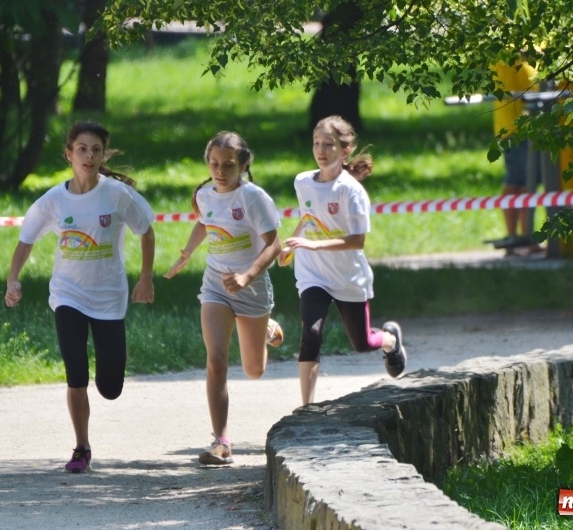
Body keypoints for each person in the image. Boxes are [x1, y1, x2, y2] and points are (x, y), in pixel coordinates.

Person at [4, 120, 156, 473]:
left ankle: (113, 364)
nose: (89, 156)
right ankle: (81, 448)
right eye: (82, 150)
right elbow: (25, 240)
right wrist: (13, 279)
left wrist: (145, 277)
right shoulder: (54, 200)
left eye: (96, 150)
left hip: (109, 297)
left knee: (110, 387)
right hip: (68, 294)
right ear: (68, 154)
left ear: (104, 155)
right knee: (75, 373)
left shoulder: (117, 195)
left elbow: (146, 233)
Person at [164, 131, 284, 466]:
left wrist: (247, 276)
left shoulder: (253, 199)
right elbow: (205, 223)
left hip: (252, 287)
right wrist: (187, 252)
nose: (220, 170)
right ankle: (221, 442)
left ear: (244, 165)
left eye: (228, 165)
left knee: (254, 369)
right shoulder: (204, 195)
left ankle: (267, 329)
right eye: (214, 163)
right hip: (216, 283)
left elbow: (275, 245)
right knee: (216, 360)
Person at [278, 115, 406, 406]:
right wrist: (293, 246)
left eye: (329, 145)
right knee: (311, 333)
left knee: (362, 344)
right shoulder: (302, 182)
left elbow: (357, 241)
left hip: (348, 277)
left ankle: (390, 340)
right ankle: (307, 408)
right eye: (316, 143)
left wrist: (313, 243)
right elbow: (308, 216)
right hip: (313, 274)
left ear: (345, 150)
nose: (321, 151)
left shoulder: (351, 191)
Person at [489, 60, 540, 253]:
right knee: (521, 181)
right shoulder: (506, 54)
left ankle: (523, 237)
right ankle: (519, 237)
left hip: (522, 128)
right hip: (515, 129)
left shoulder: (522, 53)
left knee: (525, 181)